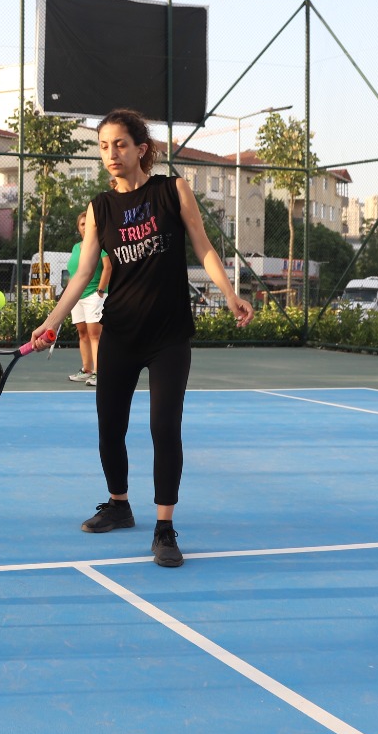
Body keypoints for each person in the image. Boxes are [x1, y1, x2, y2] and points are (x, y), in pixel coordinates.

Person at [31, 108, 253, 568]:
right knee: (110, 427)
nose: (111, 154)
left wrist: (230, 293)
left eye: (120, 144)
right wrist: (53, 318)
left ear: (140, 149)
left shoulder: (172, 190)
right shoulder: (99, 208)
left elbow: (203, 246)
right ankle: (119, 504)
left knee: (163, 428)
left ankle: (165, 528)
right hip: (121, 334)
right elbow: (83, 274)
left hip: (169, 335)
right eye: (104, 146)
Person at [65, 206, 112, 386]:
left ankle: (101, 373)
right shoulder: (76, 247)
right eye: (82, 224)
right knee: (82, 333)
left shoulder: (101, 244)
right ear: (78, 227)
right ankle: (87, 370)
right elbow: (74, 271)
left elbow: (108, 267)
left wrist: (100, 290)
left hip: (94, 295)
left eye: (88, 223)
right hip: (78, 296)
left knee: (95, 335)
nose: (85, 226)